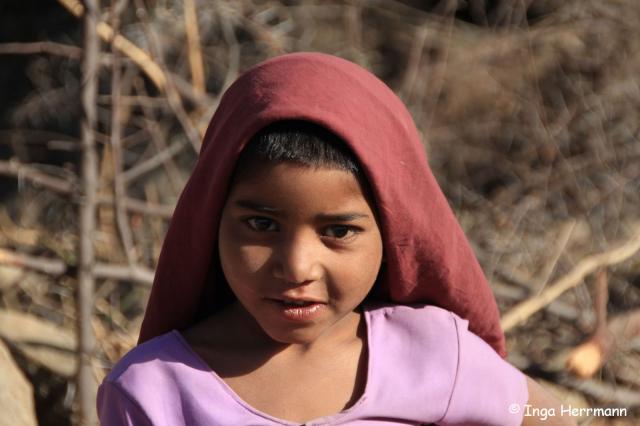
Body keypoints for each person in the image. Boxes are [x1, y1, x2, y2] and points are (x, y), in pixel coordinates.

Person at [97, 52, 574, 425]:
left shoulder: (434, 355)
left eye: (339, 231)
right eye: (261, 225)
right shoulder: (152, 390)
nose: (297, 267)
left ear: (391, 235)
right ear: (210, 220)